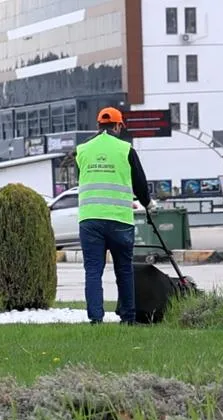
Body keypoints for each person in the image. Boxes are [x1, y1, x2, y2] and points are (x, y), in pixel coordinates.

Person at [75, 107, 154, 324]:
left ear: (99, 125)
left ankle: (96, 319)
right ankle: (128, 318)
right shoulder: (125, 149)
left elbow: (82, 179)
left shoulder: (82, 150)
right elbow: (140, 183)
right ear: (118, 126)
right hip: (119, 219)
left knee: (92, 271)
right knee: (124, 271)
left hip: (90, 220)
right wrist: (147, 203)